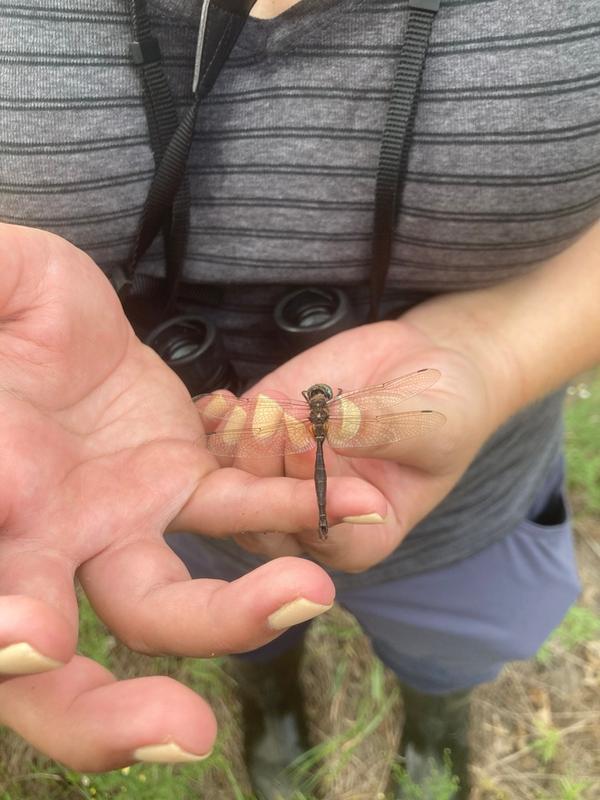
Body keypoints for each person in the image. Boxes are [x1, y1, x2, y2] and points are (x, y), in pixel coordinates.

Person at [0, 0, 598, 797]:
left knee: (449, 644)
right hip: (163, 488)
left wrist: (495, 352)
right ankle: (270, 695)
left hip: (480, 484)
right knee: (249, 611)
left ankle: (436, 712)